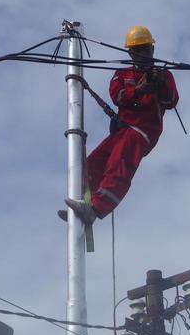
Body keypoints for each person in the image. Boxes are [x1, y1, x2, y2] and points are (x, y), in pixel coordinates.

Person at [60, 25, 179, 225]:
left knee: (119, 166)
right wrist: (139, 90)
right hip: (121, 130)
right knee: (91, 165)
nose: (143, 54)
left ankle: (96, 208)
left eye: (146, 49)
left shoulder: (163, 74)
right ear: (130, 53)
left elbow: (171, 101)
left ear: (152, 50)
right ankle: (82, 202)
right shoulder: (122, 75)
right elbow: (118, 96)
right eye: (138, 50)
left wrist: (160, 86)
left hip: (141, 132)